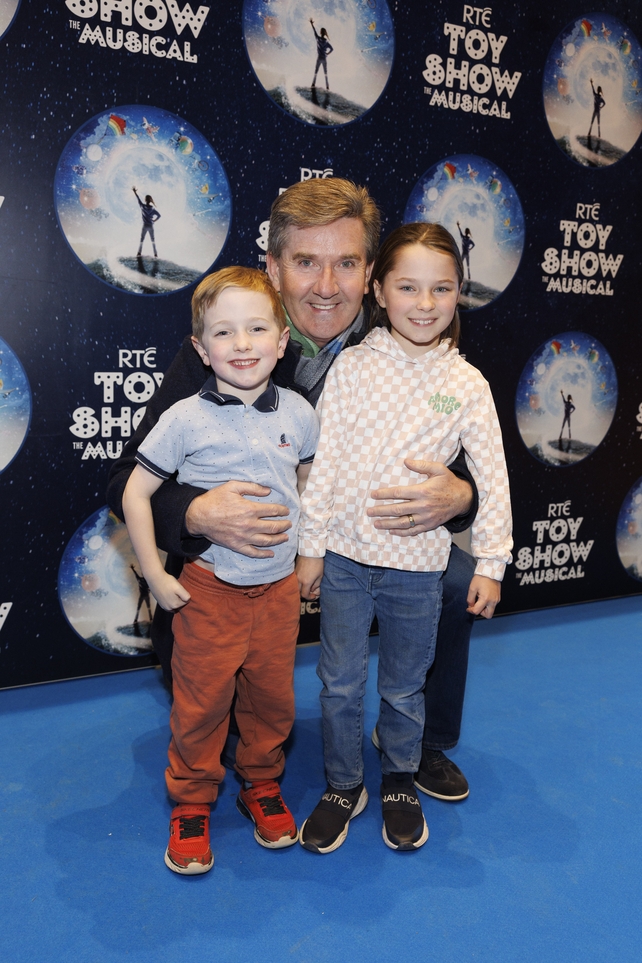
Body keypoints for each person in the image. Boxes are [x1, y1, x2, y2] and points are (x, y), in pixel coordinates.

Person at [106, 178, 478, 815]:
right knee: (214, 718)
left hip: (367, 540)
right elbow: (126, 481)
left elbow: (465, 464)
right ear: (273, 268)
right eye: (306, 262)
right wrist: (195, 512)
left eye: (347, 263)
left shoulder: (412, 331)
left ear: (372, 274)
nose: (327, 286)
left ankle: (424, 743)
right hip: (245, 557)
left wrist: (459, 494)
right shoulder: (229, 336)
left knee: (453, 577)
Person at [296, 224, 512, 852]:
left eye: (441, 288)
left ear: (458, 293)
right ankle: (344, 785)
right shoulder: (353, 367)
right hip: (343, 560)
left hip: (418, 566)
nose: (424, 303)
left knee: (403, 685)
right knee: (339, 684)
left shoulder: (467, 384)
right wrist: (311, 547)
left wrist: (491, 562)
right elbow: (326, 463)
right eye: (408, 287)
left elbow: (492, 477)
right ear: (379, 291)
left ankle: (397, 779)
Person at [121, 267, 319, 873]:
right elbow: (134, 493)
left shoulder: (300, 413)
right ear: (201, 349)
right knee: (201, 704)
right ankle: (191, 801)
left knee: (272, 701)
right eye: (224, 332)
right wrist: (155, 575)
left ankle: (262, 783)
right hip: (208, 592)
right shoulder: (184, 417)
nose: (242, 344)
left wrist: (309, 554)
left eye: (257, 328)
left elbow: (310, 485)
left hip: (279, 593)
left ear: (281, 342)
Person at [132, 186, 161, 258]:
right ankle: (155, 254)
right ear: (150, 200)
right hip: (151, 226)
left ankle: (139, 253)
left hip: (145, 226)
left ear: (145, 200)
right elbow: (159, 215)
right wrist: (154, 220)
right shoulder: (153, 209)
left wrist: (135, 192)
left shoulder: (142, 206)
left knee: (142, 240)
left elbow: (138, 199)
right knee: (153, 240)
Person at [310, 19, 333, 90]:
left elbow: (314, 31)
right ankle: (327, 86)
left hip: (319, 58)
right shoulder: (326, 42)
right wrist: (327, 53)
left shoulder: (318, 39)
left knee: (316, 71)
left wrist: (312, 24)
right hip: (324, 58)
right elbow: (332, 49)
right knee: (325, 73)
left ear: (320, 32)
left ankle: (313, 84)